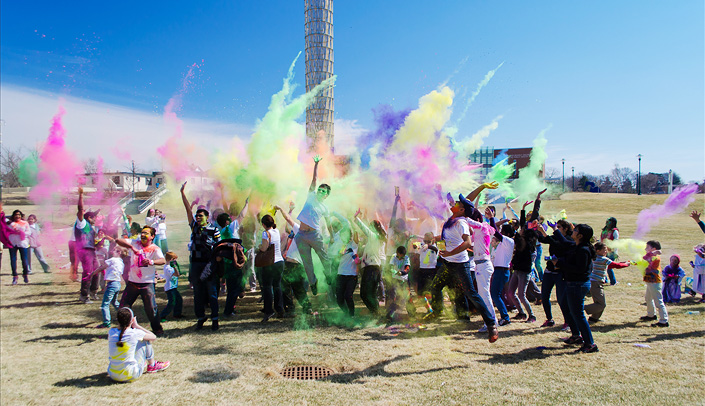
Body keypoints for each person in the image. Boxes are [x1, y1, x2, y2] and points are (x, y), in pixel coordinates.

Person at [437, 194, 499, 343]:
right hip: (447, 262)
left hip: (460, 263)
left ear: (462, 209)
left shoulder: (462, 222)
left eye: (457, 204)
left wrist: (482, 188)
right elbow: (463, 204)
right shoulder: (452, 220)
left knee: (470, 292)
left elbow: (467, 243)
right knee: (434, 287)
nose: (453, 204)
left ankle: (491, 324)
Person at [181, 181, 221, 331]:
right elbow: (187, 210)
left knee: (211, 293)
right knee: (197, 293)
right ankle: (200, 317)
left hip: (208, 264)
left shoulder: (213, 229)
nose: (197, 217)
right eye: (197, 216)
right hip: (196, 264)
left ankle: (215, 319)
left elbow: (220, 246)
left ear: (207, 217)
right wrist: (183, 194)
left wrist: (217, 258)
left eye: (200, 216)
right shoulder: (194, 227)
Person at [115, 225, 166, 336]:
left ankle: (157, 329)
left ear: (152, 236)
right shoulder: (135, 242)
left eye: (146, 233)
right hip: (132, 282)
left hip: (147, 283)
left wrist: (151, 262)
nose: (143, 235)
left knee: (151, 309)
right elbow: (118, 240)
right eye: (142, 232)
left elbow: (163, 260)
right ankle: (123, 328)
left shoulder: (155, 248)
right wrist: (132, 248)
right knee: (123, 307)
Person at [555, 223, 598, 353]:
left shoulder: (583, 250)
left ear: (580, 235)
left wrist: (560, 264)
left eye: (576, 230)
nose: (573, 231)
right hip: (572, 283)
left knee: (578, 314)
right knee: (567, 308)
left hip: (577, 284)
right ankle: (576, 336)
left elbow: (580, 269)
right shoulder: (577, 246)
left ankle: (590, 343)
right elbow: (564, 243)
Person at [294, 155, 334, 294]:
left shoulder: (325, 208)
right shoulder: (310, 196)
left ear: (326, 195)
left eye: (324, 191)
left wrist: (332, 236)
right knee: (307, 263)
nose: (320, 191)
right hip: (301, 235)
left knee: (325, 258)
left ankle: (328, 275)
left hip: (314, 235)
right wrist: (316, 164)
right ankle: (313, 282)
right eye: (320, 189)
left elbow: (328, 224)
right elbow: (315, 180)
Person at [107, 308, 170, 382]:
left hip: (113, 375)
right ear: (132, 320)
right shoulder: (134, 333)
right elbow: (153, 337)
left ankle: (142, 364)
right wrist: (136, 326)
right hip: (130, 375)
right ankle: (152, 365)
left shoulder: (111, 332)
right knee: (145, 340)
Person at [274, 204, 313, 316]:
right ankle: (303, 308)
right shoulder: (303, 233)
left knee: (292, 288)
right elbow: (288, 219)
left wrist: (282, 208)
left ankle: (296, 308)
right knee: (294, 288)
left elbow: (288, 219)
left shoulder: (305, 234)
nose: (301, 223)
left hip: (294, 264)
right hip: (293, 264)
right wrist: (284, 209)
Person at [536, 219, 574, 328]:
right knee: (544, 296)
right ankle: (549, 319)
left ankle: (567, 321)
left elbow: (557, 244)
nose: (556, 229)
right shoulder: (555, 237)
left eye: (559, 227)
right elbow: (544, 239)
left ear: (566, 229)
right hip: (549, 271)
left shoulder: (568, 240)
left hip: (560, 272)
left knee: (561, 299)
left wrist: (546, 231)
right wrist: (537, 230)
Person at [584, 242, 630, 322]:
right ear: (598, 250)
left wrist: (624, 262)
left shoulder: (593, 257)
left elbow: (614, 264)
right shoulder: (603, 259)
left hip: (593, 282)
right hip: (596, 283)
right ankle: (580, 308)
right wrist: (626, 264)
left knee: (599, 302)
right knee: (601, 304)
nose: (606, 252)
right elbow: (617, 265)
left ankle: (594, 318)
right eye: (604, 250)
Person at [353, 210, 387, 316]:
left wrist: (356, 218)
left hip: (371, 268)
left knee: (364, 294)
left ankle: (375, 312)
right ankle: (376, 314)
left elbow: (364, 228)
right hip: (375, 267)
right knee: (371, 293)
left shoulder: (373, 236)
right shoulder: (379, 239)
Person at [258, 214, 285, 322]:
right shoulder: (276, 231)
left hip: (270, 263)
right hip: (279, 262)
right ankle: (280, 309)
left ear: (264, 225)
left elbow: (264, 248)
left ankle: (269, 311)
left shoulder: (266, 233)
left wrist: (259, 246)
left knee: (267, 287)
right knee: (277, 286)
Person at [75, 188, 101, 302]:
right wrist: (81, 195)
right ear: (89, 218)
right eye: (94, 217)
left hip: (91, 250)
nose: (96, 219)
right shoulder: (82, 223)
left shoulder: (91, 227)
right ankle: (84, 296)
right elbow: (80, 209)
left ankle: (93, 291)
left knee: (96, 270)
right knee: (88, 272)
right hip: (84, 251)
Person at [489, 219, 514, 326]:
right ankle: (504, 316)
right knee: (497, 294)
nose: (500, 233)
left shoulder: (508, 241)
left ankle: (505, 317)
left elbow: (495, 232)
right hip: (499, 271)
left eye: (502, 231)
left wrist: (491, 218)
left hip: (502, 271)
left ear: (507, 233)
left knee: (495, 295)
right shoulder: (503, 243)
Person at [639, 240, 669, 327]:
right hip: (650, 281)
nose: (645, 249)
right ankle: (651, 315)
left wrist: (653, 253)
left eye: (647, 247)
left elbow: (645, 259)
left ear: (653, 249)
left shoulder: (655, 257)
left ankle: (664, 321)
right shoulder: (652, 255)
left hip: (654, 282)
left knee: (658, 301)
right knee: (648, 298)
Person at [96, 246, 125, 328]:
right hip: (117, 284)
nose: (112, 251)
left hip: (111, 284)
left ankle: (106, 322)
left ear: (119, 252)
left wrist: (92, 274)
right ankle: (124, 316)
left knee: (105, 304)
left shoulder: (112, 260)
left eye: (114, 250)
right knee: (114, 302)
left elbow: (102, 267)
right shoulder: (121, 262)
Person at [385, 245, 414, 321]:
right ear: (396, 253)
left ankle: (412, 313)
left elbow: (407, 269)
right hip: (395, 280)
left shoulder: (406, 258)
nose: (400, 258)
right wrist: (392, 270)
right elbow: (390, 266)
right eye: (399, 256)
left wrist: (401, 272)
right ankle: (390, 315)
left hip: (404, 280)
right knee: (393, 296)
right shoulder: (393, 256)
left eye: (402, 257)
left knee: (407, 296)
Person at [7, 209, 31, 285]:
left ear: (21, 216)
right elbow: (6, 232)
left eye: (19, 215)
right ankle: (15, 276)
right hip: (13, 243)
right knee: (13, 260)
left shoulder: (25, 223)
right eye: (16, 215)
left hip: (22, 243)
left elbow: (29, 232)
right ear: (13, 216)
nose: (17, 216)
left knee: (24, 260)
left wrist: (22, 233)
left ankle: (25, 274)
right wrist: (14, 232)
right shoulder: (10, 224)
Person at [159, 252, 184, 321]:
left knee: (179, 300)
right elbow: (176, 274)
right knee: (172, 302)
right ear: (171, 259)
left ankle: (177, 314)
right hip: (170, 288)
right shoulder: (168, 268)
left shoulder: (169, 267)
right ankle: (162, 316)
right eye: (174, 259)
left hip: (173, 287)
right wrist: (175, 267)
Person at [415, 232, 438, 298]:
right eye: (425, 241)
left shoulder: (435, 246)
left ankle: (431, 306)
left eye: (428, 241)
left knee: (429, 290)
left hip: (431, 270)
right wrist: (416, 245)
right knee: (420, 292)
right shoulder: (422, 245)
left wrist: (428, 246)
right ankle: (426, 305)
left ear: (433, 240)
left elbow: (436, 250)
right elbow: (415, 246)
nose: (426, 242)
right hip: (422, 269)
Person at [600, 217, 620, 285]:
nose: (607, 223)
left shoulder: (614, 231)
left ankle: (613, 281)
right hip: (603, 251)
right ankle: (604, 280)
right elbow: (601, 239)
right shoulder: (604, 230)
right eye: (607, 221)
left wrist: (615, 252)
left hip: (610, 252)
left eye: (609, 222)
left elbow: (616, 242)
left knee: (609, 267)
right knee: (602, 266)